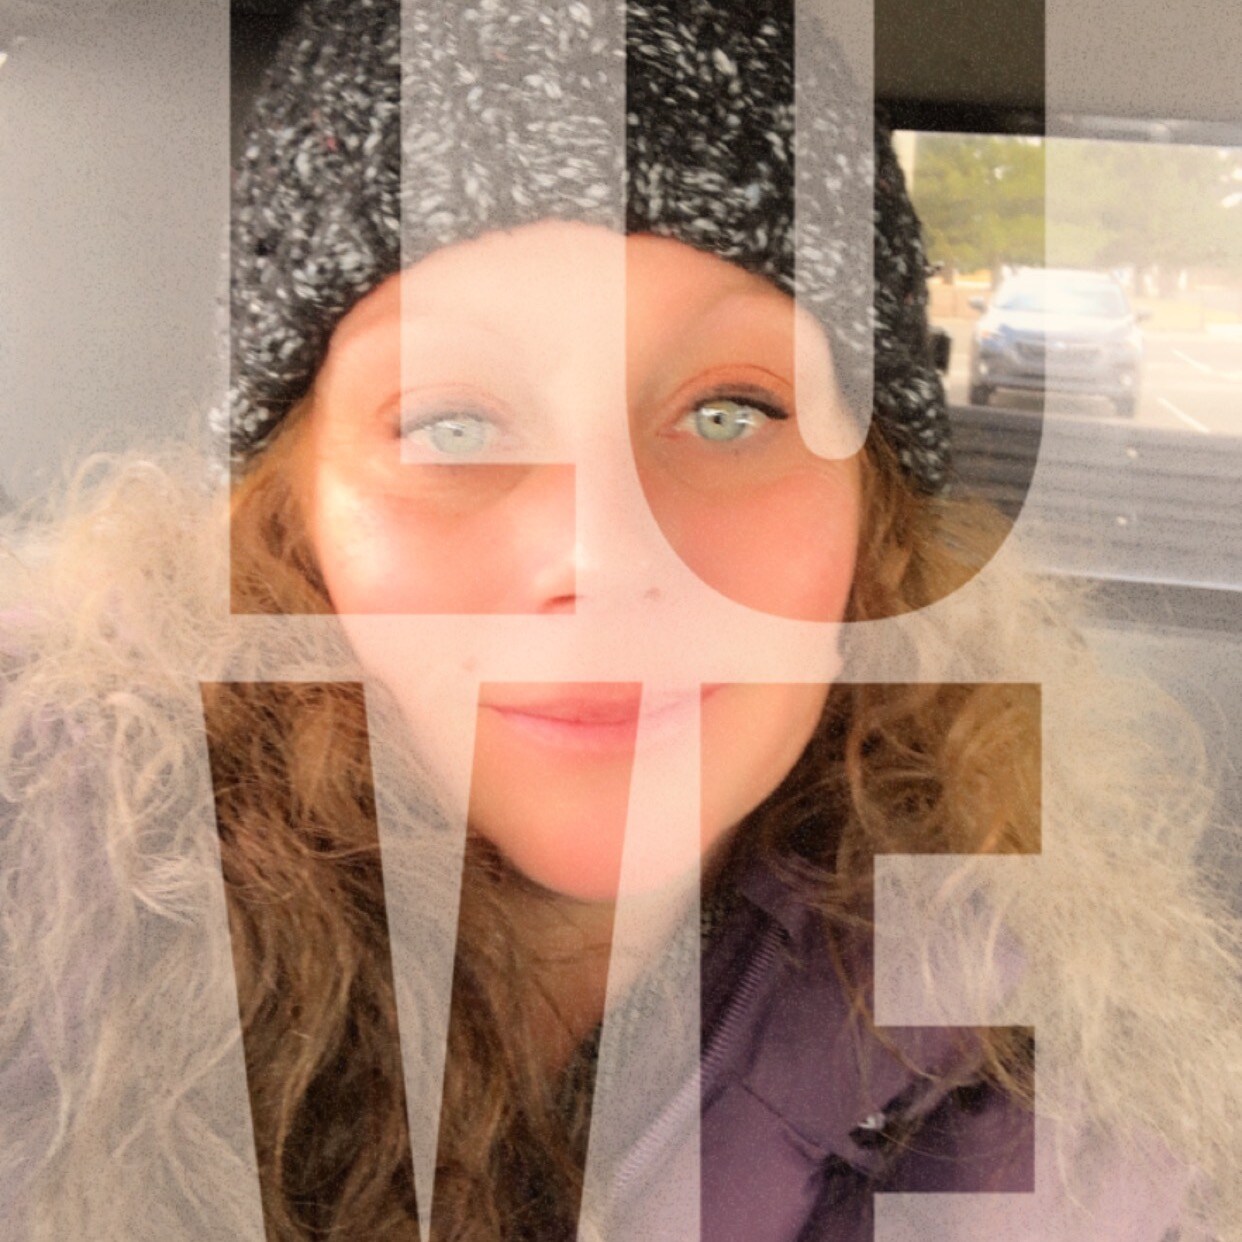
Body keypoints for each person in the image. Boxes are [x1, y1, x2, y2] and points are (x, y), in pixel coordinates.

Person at [1, 1, 1238, 1239]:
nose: (606, 552)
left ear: (872, 517)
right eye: (451, 424)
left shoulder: (1050, 1084)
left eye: (728, 412)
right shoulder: (42, 918)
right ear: (292, 517)